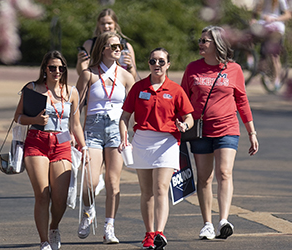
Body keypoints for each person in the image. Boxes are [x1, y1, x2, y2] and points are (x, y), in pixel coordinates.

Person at [181, 26, 258, 241]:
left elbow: (242, 100)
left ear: (217, 44)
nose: (201, 44)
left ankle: (224, 220)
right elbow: (183, 99)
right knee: (204, 178)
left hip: (227, 128)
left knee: (224, 172)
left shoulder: (234, 69)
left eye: (205, 41)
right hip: (200, 130)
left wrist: (251, 132)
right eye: (201, 40)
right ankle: (207, 224)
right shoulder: (192, 68)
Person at [119, 48, 193, 250]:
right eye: (153, 61)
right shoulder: (138, 87)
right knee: (146, 192)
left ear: (168, 64)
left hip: (167, 142)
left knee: (161, 187)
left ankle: (160, 232)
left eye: (161, 61)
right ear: (149, 64)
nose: (157, 64)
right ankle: (149, 234)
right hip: (142, 140)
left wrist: (184, 126)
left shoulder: (176, 90)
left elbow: (189, 117)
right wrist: (124, 137)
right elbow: (125, 117)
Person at [13, 51, 87, 250]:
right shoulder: (33, 88)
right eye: (52, 67)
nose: (57, 71)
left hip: (62, 145)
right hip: (37, 141)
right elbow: (18, 117)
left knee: (60, 197)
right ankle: (44, 240)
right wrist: (35, 120)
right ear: (44, 69)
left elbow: (76, 125)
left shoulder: (72, 92)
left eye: (61, 68)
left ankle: (54, 227)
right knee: (42, 194)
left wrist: (84, 146)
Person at [76, 31, 135, 244]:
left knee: (113, 182)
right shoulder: (89, 74)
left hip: (116, 129)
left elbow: (133, 109)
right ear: (102, 49)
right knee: (89, 183)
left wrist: (130, 134)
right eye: (113, 46)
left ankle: (109, 227)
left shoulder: (126, 76)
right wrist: (76, 134)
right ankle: (88, 210)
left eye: (120, 46)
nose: (118, 50)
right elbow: (76, 107)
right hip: (92, 128)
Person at [251, 0, 291, 88]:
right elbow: (255, 13)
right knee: (246, 37)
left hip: (275, 27)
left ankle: (277, 78)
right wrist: (253, 20)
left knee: (274, 54)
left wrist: (275, 18)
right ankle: (252, 62)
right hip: (263, 26)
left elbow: (288, 14)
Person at [77, 9, 137, 79]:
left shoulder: (127, 46)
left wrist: (130, 66)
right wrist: (80, 63)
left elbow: (133, 77)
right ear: (98, 25)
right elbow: (81, 74)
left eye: (109, 23)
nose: (106, 26)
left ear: (115, 24)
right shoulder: (90, 44)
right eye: (102, 23)